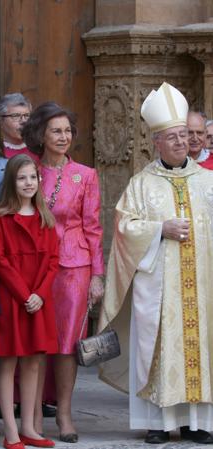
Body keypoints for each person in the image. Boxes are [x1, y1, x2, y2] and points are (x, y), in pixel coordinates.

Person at [99, 82, 213, 445]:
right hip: (159, 287)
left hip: (203, 284)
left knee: (201, 347)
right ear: (156, 142)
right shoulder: (141, 184)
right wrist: (159, 229)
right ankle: (159, 424)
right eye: (173, 137)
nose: (182, 142)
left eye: (184, 136)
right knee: (158, 347)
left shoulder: (208, 182)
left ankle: (199, 423)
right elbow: (123, 227)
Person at [22, 102, 104, 443]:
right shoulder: (27, 171)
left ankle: (66, 414)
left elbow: (94, 228)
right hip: (36, 266)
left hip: (74, 267)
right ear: (41, 134)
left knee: (68, 345)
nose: (63, 136)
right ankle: (34, 413)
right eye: (56, 130)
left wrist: (98, 275)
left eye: (68, 130)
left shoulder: (85, 175)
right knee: (37, 341)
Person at [0, 154, 59, 449]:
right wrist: (25, 295)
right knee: (8, 364)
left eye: (33, 177)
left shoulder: (46, 218)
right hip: (12, 299)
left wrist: (40, 295)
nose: (28, 183)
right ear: (11, 182)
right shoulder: (0, 219)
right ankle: (11, 430)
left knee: (33, 362)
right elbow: (1, 261)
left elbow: (54, 261)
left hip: (38, 302)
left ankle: (30, 426)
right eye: (22, 178)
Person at [0, 93, 37, 162]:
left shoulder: (38, 149)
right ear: (0, 121)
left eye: (26, 115)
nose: (23, 121)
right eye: (16, 116)